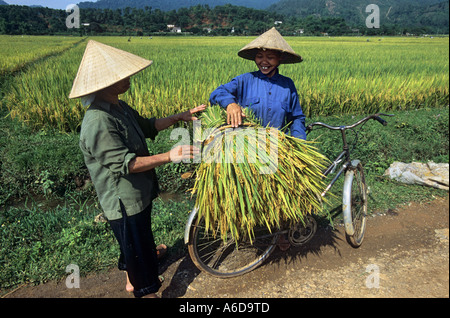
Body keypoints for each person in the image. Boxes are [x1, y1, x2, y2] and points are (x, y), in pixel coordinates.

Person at [69, 40, 205, 298]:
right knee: (135, 238)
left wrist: (179, 116)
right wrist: (169, 155)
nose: (129, 77)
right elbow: (127, 164)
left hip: (137, 192)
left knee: (135, 237)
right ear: (105, 83)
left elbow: (148, 125)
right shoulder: (98, 120)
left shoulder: (117, 105)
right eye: (122, 75)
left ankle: (134, 270)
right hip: (123, 198)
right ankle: (145, 290)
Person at [209, 27, 306, 140]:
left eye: (270, 57)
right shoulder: (244, 80)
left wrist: (299, 141)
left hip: (278, 147)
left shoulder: (287, 85)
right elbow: (217, 93)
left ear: (279, 59)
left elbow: (296, 118)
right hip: (247, 146)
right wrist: (230, 104)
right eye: (259, 56)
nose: (264, 62)